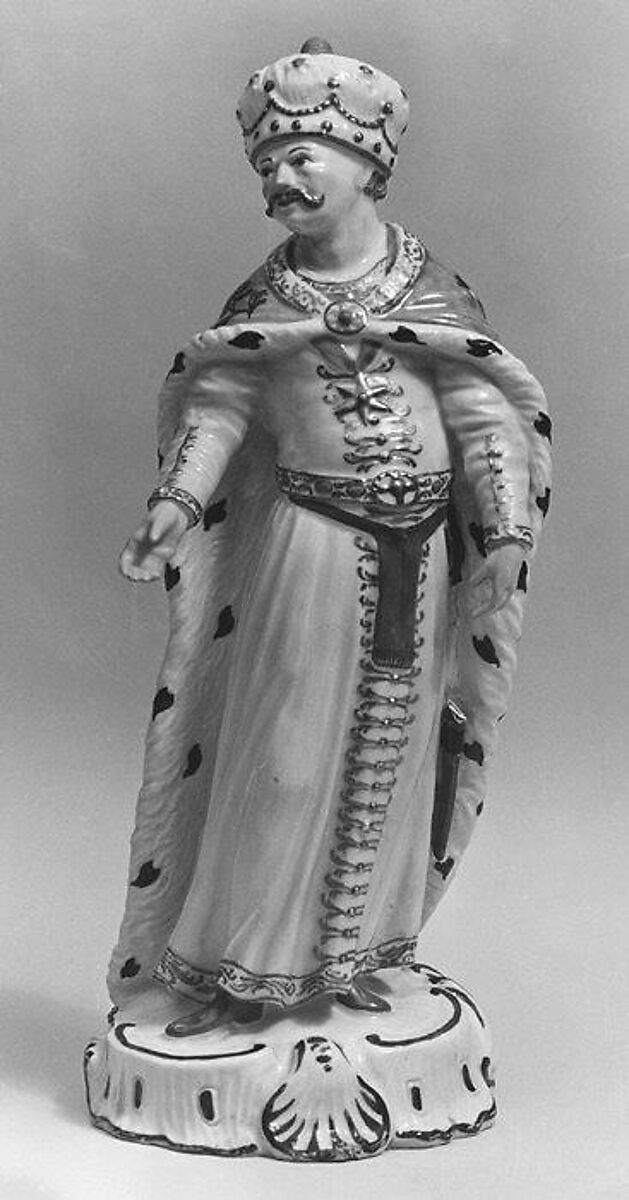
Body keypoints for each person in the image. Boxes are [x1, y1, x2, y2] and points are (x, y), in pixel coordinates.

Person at [109, 41, 551, 1036]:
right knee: (282, 759)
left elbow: (484, 418)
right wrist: (178, 500)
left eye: (302, 155)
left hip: (420, 554)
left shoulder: (433, 298)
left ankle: (349, 957)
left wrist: (504, 534)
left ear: (367, 165)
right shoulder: (264, 307)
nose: (281, 178)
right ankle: (242, 968)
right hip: (309, 547)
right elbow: (219, 406)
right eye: (268, 163)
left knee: (392, 755)